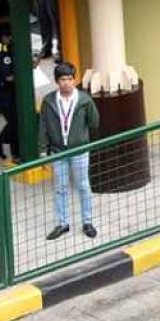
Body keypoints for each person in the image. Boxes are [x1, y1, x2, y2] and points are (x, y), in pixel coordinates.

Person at [39, 60, 99, 240]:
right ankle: (62, 223)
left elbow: (94, 122)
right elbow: (43, 126)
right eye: (62, 79)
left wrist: (90, 104)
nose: (66, 83)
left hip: (80, 149)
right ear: (57, 81)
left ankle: (87, 222)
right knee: (60, 187)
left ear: (74, 80)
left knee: (83, 185)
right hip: (59, 151)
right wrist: (43, 151)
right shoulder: (49, 101)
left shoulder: (83, 99)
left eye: (69, 79)